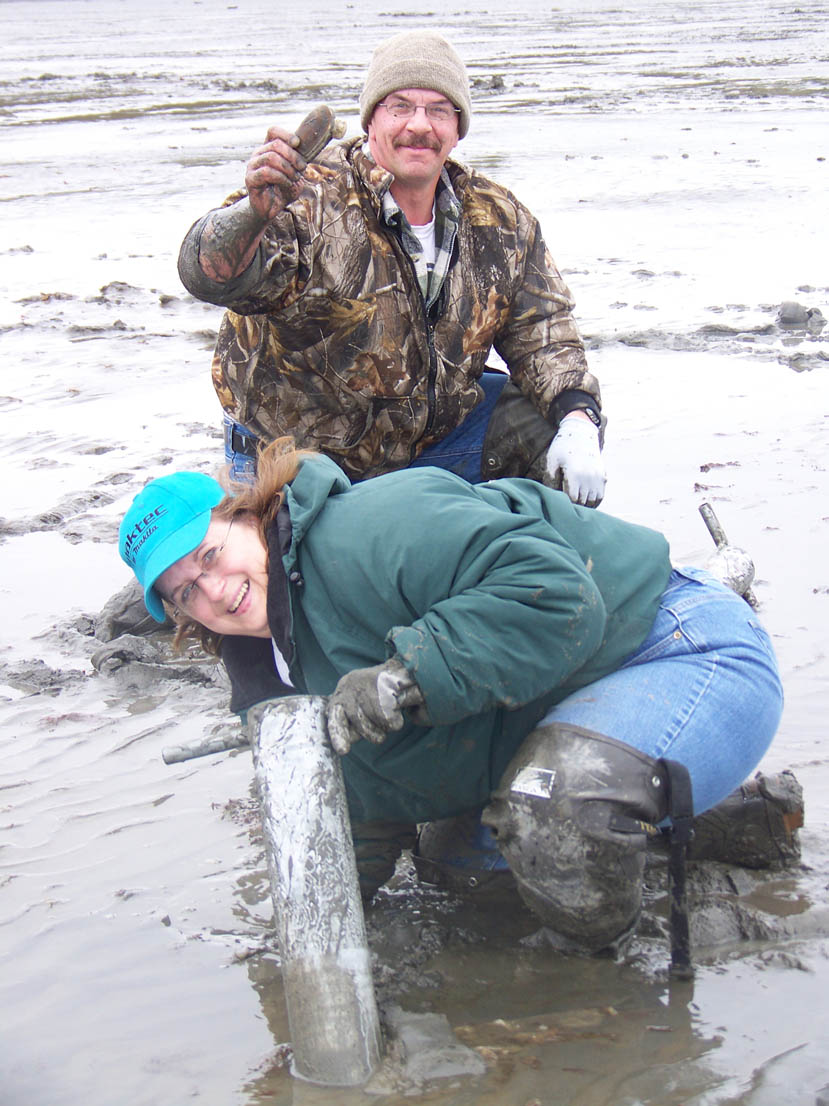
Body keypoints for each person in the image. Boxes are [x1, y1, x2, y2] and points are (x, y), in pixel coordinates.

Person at [118, 440, 784, 954]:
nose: (212, 591)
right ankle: (729, 819)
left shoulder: (367, 531)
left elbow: (556, 594)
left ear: (243, 518)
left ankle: (606, 1006)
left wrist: (408, 674)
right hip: (563, 707)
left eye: (208, 556)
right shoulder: (270, 677)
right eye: (184, 593)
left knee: (553, 814)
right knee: (462, 875)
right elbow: (366, 810)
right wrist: (313, 927)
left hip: (675, 643)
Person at [177, 30, 606, 504]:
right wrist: (254, 215)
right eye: (400, 106)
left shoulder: (498, 220)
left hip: (424, 449)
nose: (419, 125)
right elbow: (210, 275)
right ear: (372, 119)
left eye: (438, 109)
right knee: (303, 576)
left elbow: (544, 330)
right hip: (299, 469)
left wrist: (579, 421)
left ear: (457, 127)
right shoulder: (307, 199)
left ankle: (529, 564)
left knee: (548, 423)